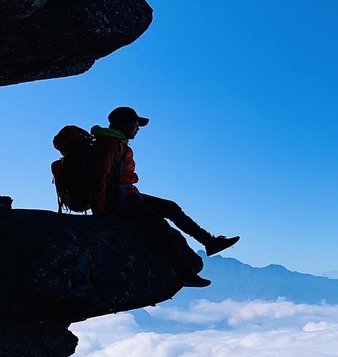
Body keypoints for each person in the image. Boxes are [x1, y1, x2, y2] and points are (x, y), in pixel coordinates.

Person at [90, 106, 239, 287]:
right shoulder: (109, 143)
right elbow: (99, 176)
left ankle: (210, 242)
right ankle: (184, 273)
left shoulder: (118, 142)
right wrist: (99, 211)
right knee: (159, 224)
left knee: (171, 207)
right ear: (123, 124)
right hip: (115, 199)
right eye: (135, 124)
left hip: (126, 194)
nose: (138, 128)